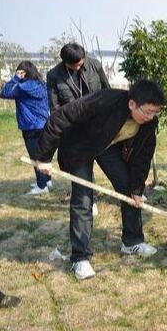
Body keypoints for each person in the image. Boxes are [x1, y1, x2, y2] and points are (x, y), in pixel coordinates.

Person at [35, 80, 165, 280]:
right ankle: (80, 258)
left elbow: (142, 158)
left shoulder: (149, 125)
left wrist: (137, 190)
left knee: (128, 190)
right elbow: (61, 116)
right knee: (83, 198)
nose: (150, 117)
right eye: (147, 111)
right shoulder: (105, 100)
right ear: (132, 104)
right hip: (79, 146)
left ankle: (131, 242)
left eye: (155, 112)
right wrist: (43, 157)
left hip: (106, 146)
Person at [47, 42, 111, 215]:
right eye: (76, 65)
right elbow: (55, 108)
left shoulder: (94, 65)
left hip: (98, 128)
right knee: (82, 170)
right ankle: (89, 201)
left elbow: (107, 91)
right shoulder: (54, 75)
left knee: (112, 164)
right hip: (74, 131)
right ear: (65, 63)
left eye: (82, 62)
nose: (80, 66)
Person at [0, 61, 52, 195]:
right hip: (44, 124)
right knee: (43, 154)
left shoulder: (22, 88)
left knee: (35, 156)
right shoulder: (42, 84)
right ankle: (47, 180)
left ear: (23, 73)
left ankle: (42, 186)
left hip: (30, 126)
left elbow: (4, 93)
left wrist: (15, 78)